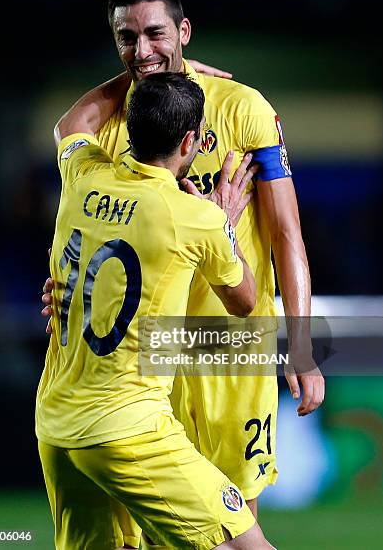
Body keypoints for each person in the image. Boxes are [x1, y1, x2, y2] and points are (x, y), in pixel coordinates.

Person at [42, 0, 324, 541]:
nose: (141, 51)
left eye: (155, 35)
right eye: (127, 38)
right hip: (146, 352)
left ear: (184, 31)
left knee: (233, 515)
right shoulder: (121, 120)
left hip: (228, 340)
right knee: (161, 530)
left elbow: (289, 234)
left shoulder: (241, 107)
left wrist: (301, 346)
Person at [36, 72, 275, 549]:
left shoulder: (83, 174)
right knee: (247, 545)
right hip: (128, 428)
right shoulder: (194, 215)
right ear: (190, 141)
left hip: (57, 427)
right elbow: (245, 302)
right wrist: (224, 223)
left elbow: (72, 122)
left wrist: (137, 69)